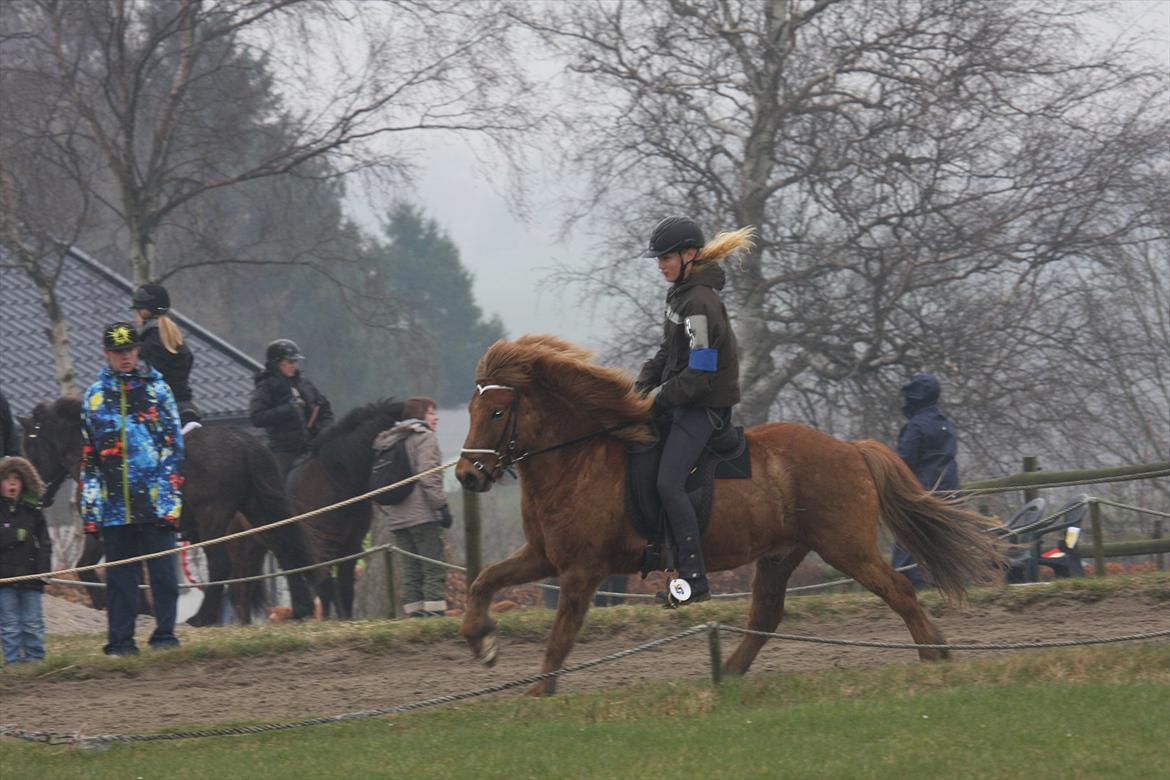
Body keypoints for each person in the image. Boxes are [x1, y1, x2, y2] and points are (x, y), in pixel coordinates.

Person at [634, 216, 754, 607]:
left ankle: (694, 579)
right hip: (683, 401)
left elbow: (700, 374)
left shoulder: (699, 303)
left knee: (669, 483)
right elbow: (668, 353)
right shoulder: (682, 296)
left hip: (702, 407)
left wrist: (657, 401)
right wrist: (638, 389)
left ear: (689, 255)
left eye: (666, 257)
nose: (660, 265)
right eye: (658, 258)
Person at [81, 322, 185, 655]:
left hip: (155, 503)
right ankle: (121, 642)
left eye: (129, 350)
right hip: (115, 507)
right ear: (106, 354)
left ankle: (165, 636)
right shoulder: (94, 397)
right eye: (117, 352)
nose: (124, 357)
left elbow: (174, 448)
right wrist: (91, 510)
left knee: (164, 575)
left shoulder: (158, 391)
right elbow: (90, 459)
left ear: (137, 351)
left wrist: (169, 501)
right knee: (120, 580)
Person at [372, 396, 452, 617]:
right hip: (423, 515)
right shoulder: (424, 438)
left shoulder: (389, 441)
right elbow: (429, 476)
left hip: (397, 518)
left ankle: (415, 616)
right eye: (431, 412)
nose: (436, 418)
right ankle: (435, 614)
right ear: (420, 415)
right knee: (433, 566)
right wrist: (442, 506)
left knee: (410, 570)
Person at [891, 372, 960, 588]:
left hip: (921, 494)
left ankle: (904, 584)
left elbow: (903, 462)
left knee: (909, 539)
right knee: (942, 541)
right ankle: (944, 583)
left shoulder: (916, 426)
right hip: (949, 492)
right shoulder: (945, 424)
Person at [249, 339, 333, 478]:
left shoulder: (304, 383)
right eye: (290, 362)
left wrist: (325, 430)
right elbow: (257, 417)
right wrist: (288, 409)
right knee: (276, 482)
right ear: (276, 363)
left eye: (296, 362)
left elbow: (324, 408)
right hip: (284, 451)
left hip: (312, 446)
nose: (294, 365)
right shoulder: (266, 387)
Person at [0, 456, 51, 665]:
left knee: (33, 622)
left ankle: (35, 660)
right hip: (4, 579)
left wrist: (44, 572)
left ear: (25, 483)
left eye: (17, 479)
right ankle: (12, 662)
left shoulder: (33, 511)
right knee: (9, 624)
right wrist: (14, 535)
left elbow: (45, 543)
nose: (12, 483)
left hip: (31, 577)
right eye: (7, 478)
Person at [130, 283, 200, 429]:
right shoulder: (176, 337)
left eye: (138, 309)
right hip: (185, 404)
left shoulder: (149, 342)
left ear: (144, 312)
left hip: (161, 408)